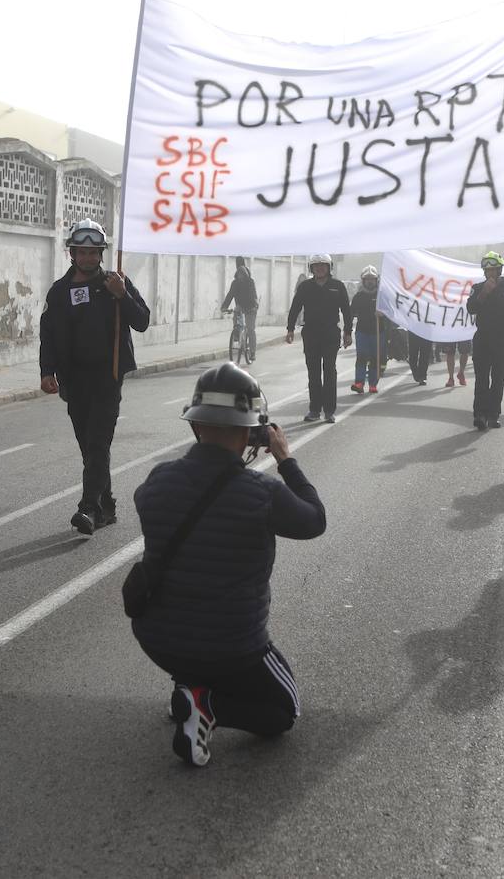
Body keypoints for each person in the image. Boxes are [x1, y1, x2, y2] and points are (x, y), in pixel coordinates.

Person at [131, 363, 326, 767]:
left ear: (196, 424)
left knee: (191, 599)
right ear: (250, 431)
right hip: (233, 647)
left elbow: (150, 504)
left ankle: (188, 687)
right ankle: (208, 705)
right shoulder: (262, 493)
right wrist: (285, 459)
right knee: (284, 711)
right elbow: (314, 520)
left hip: (158, 640)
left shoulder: (156, 481)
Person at [39, 219, 151, 535]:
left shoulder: (116, 283)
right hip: (74, 380)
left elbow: (142, 321)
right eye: (82, 252)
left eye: (93, 252)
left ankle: (88, 507)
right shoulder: (59, 291)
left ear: (101, 254)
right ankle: (106, 505)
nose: (88, 258)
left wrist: (122, 295)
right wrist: (46, 371)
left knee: (98, 443)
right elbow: (48, 334)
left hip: (107, 377)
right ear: (72, 253)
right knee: (89, 447)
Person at [286, 254, 352, 422]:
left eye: (323, 265)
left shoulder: (338, 286)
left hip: (330, 334)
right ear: (311, 268)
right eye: (316, 266)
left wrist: (348, 332)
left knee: (329, 371)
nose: (320, 268)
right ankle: (314, 410)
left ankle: (329, 411)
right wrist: (290, 329)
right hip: (311, 334)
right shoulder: (305, 287)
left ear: (329, 267)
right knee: (313, 373)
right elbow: (295, 307)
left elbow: (346, 310)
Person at [466, 251, 504, 429]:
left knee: (498, 379)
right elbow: (471, 308)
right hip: (482, 339)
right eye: (487, 270)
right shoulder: (477, 288)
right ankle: (480, 415)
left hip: (501, 339)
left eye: (493, 270)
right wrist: (484, 293)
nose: (490, 273)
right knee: (481, 379)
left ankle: (493, 414)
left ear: (499, 270)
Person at [349, 265, 385, 394]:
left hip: (378, 331)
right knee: (361, 357)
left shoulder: (381, 296)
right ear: (363, 281)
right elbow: (350, 313)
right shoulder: (358, 296)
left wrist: (383, 313)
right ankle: (359, 382)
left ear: (376, 280)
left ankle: (373, 384)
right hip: (362, 332)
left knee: (375, 358)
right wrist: (347, 331)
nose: (370, 281)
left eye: (372, 279)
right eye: (367, 279)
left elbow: (391, 311)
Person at [221, 257, 259, 362]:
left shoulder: (250, 282)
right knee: (236, 316)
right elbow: (230, 295)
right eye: (239, 275)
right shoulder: (235, 283)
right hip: (241, 306)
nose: (240, 277)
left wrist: (253, 305)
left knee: (250, 329)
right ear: (237, 275)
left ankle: (252, 352)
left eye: (242, 275)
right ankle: (237, 334)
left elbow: (252, 295)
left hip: (251, 307)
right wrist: (224, 307)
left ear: (245, 275)